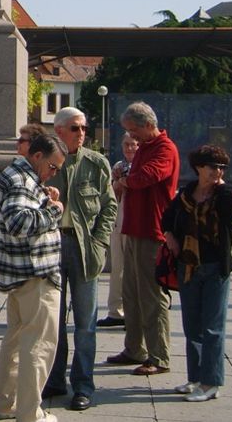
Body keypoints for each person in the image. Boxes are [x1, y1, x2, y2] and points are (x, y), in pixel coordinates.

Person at [42, 108, 116, 412]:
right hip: (53, 245)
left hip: (85, 247)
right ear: (59, 130)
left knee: (85, 323)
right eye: (76, 127)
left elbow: (109, 207)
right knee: (53, 319)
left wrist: (99, 243)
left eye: (84, 127)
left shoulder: (96, 163)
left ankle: (83, 385)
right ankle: (55, 379)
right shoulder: (47, 162)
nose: (82, 132)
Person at [0, 133, 67, 422]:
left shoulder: (19, 175)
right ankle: (29, 414)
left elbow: (21, 212)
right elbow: (18, 222)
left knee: (16, 341)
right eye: (53, 166)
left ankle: (4, 405)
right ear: (37, 156)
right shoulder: (22, 179)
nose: (54, 173)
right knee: (39, 346)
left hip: (20, 273)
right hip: (36, 274)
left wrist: (42, 199)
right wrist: (53, 210)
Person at [163, 145, 232, 403]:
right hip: (188, 265)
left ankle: (211, 382)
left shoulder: (224, 194)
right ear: (199, 168)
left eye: (222, 167)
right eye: (213, 166)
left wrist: (221, 185)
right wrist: (170, 237)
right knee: (192, 326)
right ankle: (196, 378)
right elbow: (167, 217)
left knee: (213, 327)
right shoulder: (186, 194)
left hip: (214, 267)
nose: (217, 171)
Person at [107, 102, 180, 376]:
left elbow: (145, 178)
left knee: (151, 295)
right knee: (131, 292)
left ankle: (159, 355)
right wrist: (126, 177)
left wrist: (126, 178)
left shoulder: (164, 148)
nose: (132, 137)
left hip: (153, 230)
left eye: (134, 130)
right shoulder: (146, 149)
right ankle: (134, 348)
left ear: (148, 124)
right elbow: (132, 178)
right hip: (134, 228)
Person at [98, 132, 138, 329]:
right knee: (117, 268)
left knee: (133, 270)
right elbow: (113, 191)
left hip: (135, 223)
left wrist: (124, 182)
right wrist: (118, 183)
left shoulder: (141, 166)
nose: (129, 148)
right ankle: (116, 311)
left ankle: (132, 313)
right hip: (117, 221)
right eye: (126, 144)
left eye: (133, 144)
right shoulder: (118, 166)